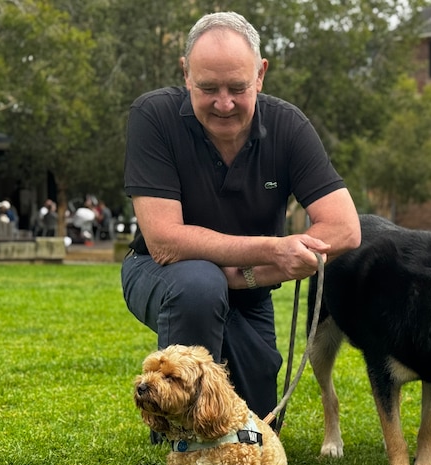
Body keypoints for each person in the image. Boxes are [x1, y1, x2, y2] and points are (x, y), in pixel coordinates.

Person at [121, 11, 360, 422]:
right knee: (200, 283)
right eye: (208, 88)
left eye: (238, 87)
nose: (224, 103)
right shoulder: (153, 117)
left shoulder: (289, 126)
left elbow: (345, 229)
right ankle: (182, 432)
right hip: (159, 273)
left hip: (249, 290)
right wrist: (271, 250)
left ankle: (209, 415)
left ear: (261, 74)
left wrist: (251, 274)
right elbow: (164, 240)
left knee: (259, 424)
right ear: (186, 74)